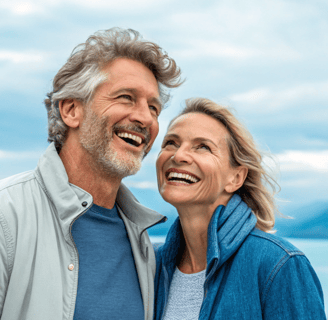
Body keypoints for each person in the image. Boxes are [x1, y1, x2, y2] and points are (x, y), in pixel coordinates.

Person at [0, 28, 182, 320]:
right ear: (71, 110)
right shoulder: (7, 216)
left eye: (154, 107)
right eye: (126, 97)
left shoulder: (142, 243)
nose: (145, 118)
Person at [154, 98, 326, 319]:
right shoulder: (153, 265)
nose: (178, 156)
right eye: (171, 143)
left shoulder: (279, 264)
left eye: (203, 147)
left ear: (235, 178)